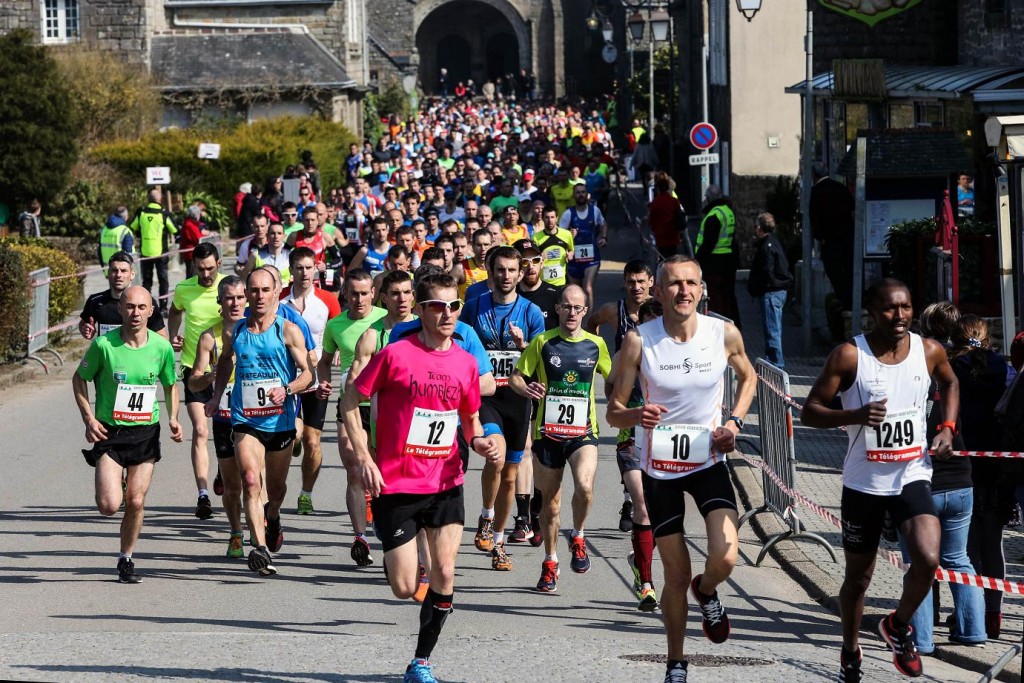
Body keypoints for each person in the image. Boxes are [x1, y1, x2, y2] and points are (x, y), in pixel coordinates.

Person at [339, 272, 499, 683]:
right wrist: (364, 457)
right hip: (396, 484)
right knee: (405, 587)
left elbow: (469, 418)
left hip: (446, 480)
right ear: (423, 311)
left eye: (454, 306)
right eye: (438, 306)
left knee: (445, 572)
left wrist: (480, 442)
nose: (448, 314)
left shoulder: (465, 362)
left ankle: (421, 662)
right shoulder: (396, 354)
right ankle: (403, 565)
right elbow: (350, 399)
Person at [607, 255, 756, 683]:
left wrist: (734, 423)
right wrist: (638, 416)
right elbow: (615, 413)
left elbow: (748, 378)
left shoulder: (723, 333)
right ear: (658, 291)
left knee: (726, 555)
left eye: (691, 283)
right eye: (674, 284)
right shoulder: (639, 341)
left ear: (702, 289)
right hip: (660, 471)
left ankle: (707, 591)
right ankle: (676, 661)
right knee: (675, 574)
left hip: (708, 460)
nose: (683, 291)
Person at [801, 278, 958, 680]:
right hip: (864, 483)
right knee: (859, 579)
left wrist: (947, 427)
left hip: (911, 475)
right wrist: (852, 415)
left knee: (927, 558)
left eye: (906, 307)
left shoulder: (928, 350)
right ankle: (850, 650)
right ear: (872, 311)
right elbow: (810, 411)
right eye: (890, 308)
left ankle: (897, 625)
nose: (900, 315)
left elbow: (950, 382)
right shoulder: (850, 356)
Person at [205, 268, 313, 576]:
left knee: (275, 488)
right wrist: (215, 397)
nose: (259, 296)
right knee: (251, 481)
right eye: (253, 290)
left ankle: (274, 514)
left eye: (265, 290)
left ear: (276, 292)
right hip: (245, 419)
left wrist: (288, 389)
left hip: (279, 421)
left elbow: (309, 375)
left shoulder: (287, 330)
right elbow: (225, 361)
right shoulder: (236, 331)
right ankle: (260, 548)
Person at [72, 285, 183, 583]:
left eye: (141, 307)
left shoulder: (161, 348)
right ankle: (116, 480)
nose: (135, 313)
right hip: (110, 432)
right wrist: (88, 419)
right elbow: (79, 379)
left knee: (135, 500)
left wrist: (173, 417)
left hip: (145, 432)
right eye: (129, 307)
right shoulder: (104, 346)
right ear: (120, 309)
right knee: (108, 506)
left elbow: (171, 384)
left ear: (150, 311)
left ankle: (126, 558)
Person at [511, 284, 611, 592]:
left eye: (577, 308)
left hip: (583, 433)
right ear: (558, 309)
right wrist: (525, 388)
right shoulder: (542, 342)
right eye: (566, 306)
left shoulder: (596, 345)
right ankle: (550, 562)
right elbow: (517, 375)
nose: (571, 312)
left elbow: (616, 377)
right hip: (548, 434)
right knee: (551, 505)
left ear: (584, 311)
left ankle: (578, 535)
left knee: (584, 486)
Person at [900, 302, 987, 653]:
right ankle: (973, 630)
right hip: (962, 482)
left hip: (922, 485)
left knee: (918, 564)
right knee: (958, 559)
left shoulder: (914, 375)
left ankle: (921, 639)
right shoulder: (959, 374)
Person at [461, 246, 546, 571]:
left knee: (510, 476)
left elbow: (541, 358)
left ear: (521, 273)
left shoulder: (531, 312)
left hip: (517, 400)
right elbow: (459, 343)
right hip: (486, 396)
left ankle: (497, 540)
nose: (506, 276)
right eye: (500, 270)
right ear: (490, 270)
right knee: (494, 455)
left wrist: (524, 345)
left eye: (512, 270)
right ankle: (485, 515)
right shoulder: (473, 307)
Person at [952, 315, 1017, 640]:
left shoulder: (950, 369)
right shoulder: (1002, 370)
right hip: (996, 469)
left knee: (966, 547)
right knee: (993, 544)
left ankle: (968, 615)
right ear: (986, 338)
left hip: (959, 468)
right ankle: (994, 615)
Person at [317, 269, 386, 566]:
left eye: (364, 293)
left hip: (383, 404)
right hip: (350, 403)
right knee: (354, 469)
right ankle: (360, 538)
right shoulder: (335, 325)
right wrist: (323, 380)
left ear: (373, 293)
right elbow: (323, 361)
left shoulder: (386, 319)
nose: (358, 299)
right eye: (353, 293)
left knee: (384, 471)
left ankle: (387, 525)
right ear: (345, 294)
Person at [586, 259, 654, 531]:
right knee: (628, 447)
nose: (636, 287)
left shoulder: (660, 311)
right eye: (631, 281)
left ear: (651, 282)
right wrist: (601, 360)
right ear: (624, 283)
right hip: (625, 391)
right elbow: (592, 323)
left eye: (641, 281)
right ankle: (631, 500)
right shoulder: (614, 310)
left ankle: (645, 499)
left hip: (655, 390)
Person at [605, 297, 663, 611]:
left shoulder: (677, 357)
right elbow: (610, 389)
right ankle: (647, 585)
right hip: (631, 440)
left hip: (666, 444)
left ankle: (639, 558)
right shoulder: (626, 354)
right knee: (641, 504)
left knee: (658, 514)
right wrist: (626, 408)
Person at [189, 276, 249, 558]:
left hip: (256, 415)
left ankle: (260, 523)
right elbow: (193, 382)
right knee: (234, 485)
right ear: (220, 302)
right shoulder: (209, 337)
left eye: (239, 297)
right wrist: (211, 377)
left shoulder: (258, 329)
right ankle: (236, 532)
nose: (234, 303)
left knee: (253, 477)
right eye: (229, 298)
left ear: (246, 299)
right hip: (224, 414)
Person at [167, 242, 225, 520]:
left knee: (231, 433)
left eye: (210, 268)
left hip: (229, 371)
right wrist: (173, 336)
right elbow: (175, 310)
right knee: (201, 431)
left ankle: (223, 469)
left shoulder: (230, 288)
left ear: (219, 263)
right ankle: (203, 495)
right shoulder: (184, 289)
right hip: (194, 369)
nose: (206, 274)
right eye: (201, 269)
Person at [282, 247, 341, 515]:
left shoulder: (327, 300)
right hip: (288, 380)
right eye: (299, 268)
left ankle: (306, 493)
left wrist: (335, 353)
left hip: (316, 380)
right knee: (297, 433)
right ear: (291, 270)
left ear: (315, 268)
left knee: (313, 441)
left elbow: (338, 333)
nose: (304, 273)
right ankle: (293, 439)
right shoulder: (280, 301)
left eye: (308, 267)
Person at [80, 252, 167, 341]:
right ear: (108, 273)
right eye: (114, 270)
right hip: (106, 354)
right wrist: (85, 330)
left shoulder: (145, 301)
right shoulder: (95, 301)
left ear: (132, 274)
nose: (118, 275)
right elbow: (84, 324)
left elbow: (162, 338)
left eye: (123, 271)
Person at [747, 212, 792, 369]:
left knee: (772, 331)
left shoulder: (767, 246)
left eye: (755, 226)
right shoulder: (774, 242)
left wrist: (763, 286)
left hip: (772, 292)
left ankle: (776, 365)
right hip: (777, 291)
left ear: (759, 228)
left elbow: (767, 270)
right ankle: (774, 363)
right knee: (774, 329)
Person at [809, 162, 855, 311]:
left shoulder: (816, 192)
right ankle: (851, 302)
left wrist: (820, 237)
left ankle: (845, 302)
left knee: (835, 274)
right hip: (847, 239)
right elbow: (852, 209)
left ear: (814, 175)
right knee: (848, 272)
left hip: (829, 242)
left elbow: (814, 218)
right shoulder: (841, 188)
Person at [695, 184, 740, 327]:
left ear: (709, 198)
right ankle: (734, 328)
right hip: (728, 262)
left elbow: (708, 244)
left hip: (714, 265)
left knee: (715, 300)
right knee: (728, 298)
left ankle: (720, 329)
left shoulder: (714, 215)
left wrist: (697, 263)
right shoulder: (728, 211)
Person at [130, 190, 178, 315]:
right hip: (160, 253)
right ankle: (163, 308)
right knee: (163, 280)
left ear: (148, 199)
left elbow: (132, 227)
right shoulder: (164, 214)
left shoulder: (141, 212)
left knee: (147, 281)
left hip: (145, 253)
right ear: (160, 199)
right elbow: (175, 229)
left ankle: (144, 307)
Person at [561, 185, 606, 312]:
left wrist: (603, 236)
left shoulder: (595, 211)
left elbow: (603, 224)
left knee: (588, 288)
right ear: (574, 195)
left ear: (587, 194)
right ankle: (578, 319)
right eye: (578, 193)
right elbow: (560, 234)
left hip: (592, 257)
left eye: (583, 192)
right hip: (574, 258)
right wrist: (569, 235)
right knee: (575, 291)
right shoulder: (568, 214)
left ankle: (590, 321)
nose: (581, 194)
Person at [647, 174, 689, 261]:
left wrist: (654, 229)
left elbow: (651, 220)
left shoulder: (655, 202)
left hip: (660, 237)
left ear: (658, 189)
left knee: (663, 258)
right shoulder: (674, 201)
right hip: (673, 235)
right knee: (673, 258)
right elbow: (679, 216)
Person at [533, 205, 574, 288]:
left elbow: (571, 250)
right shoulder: (536, 238)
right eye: (547, 217)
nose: (550, 220)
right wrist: (539, 256)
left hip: (561, 282)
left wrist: (570, 254)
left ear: (557, 218)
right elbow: (533, 260)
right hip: (544, 283)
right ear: (543, 219)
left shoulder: (567, 234)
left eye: (552, 217)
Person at [98, 208, 134, 273]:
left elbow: (99, 251)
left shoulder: (104, 229)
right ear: (126, 217)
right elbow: (128, 254)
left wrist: (103, 269)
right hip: (122, 272)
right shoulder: (125, 231)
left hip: (108, 270)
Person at [181, 204, 210, 278]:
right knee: (192, 274)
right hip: (190, 254)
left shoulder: (193, 223)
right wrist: (207, 235)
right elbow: (197, 238)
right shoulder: (189, 225)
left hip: (193, 253)